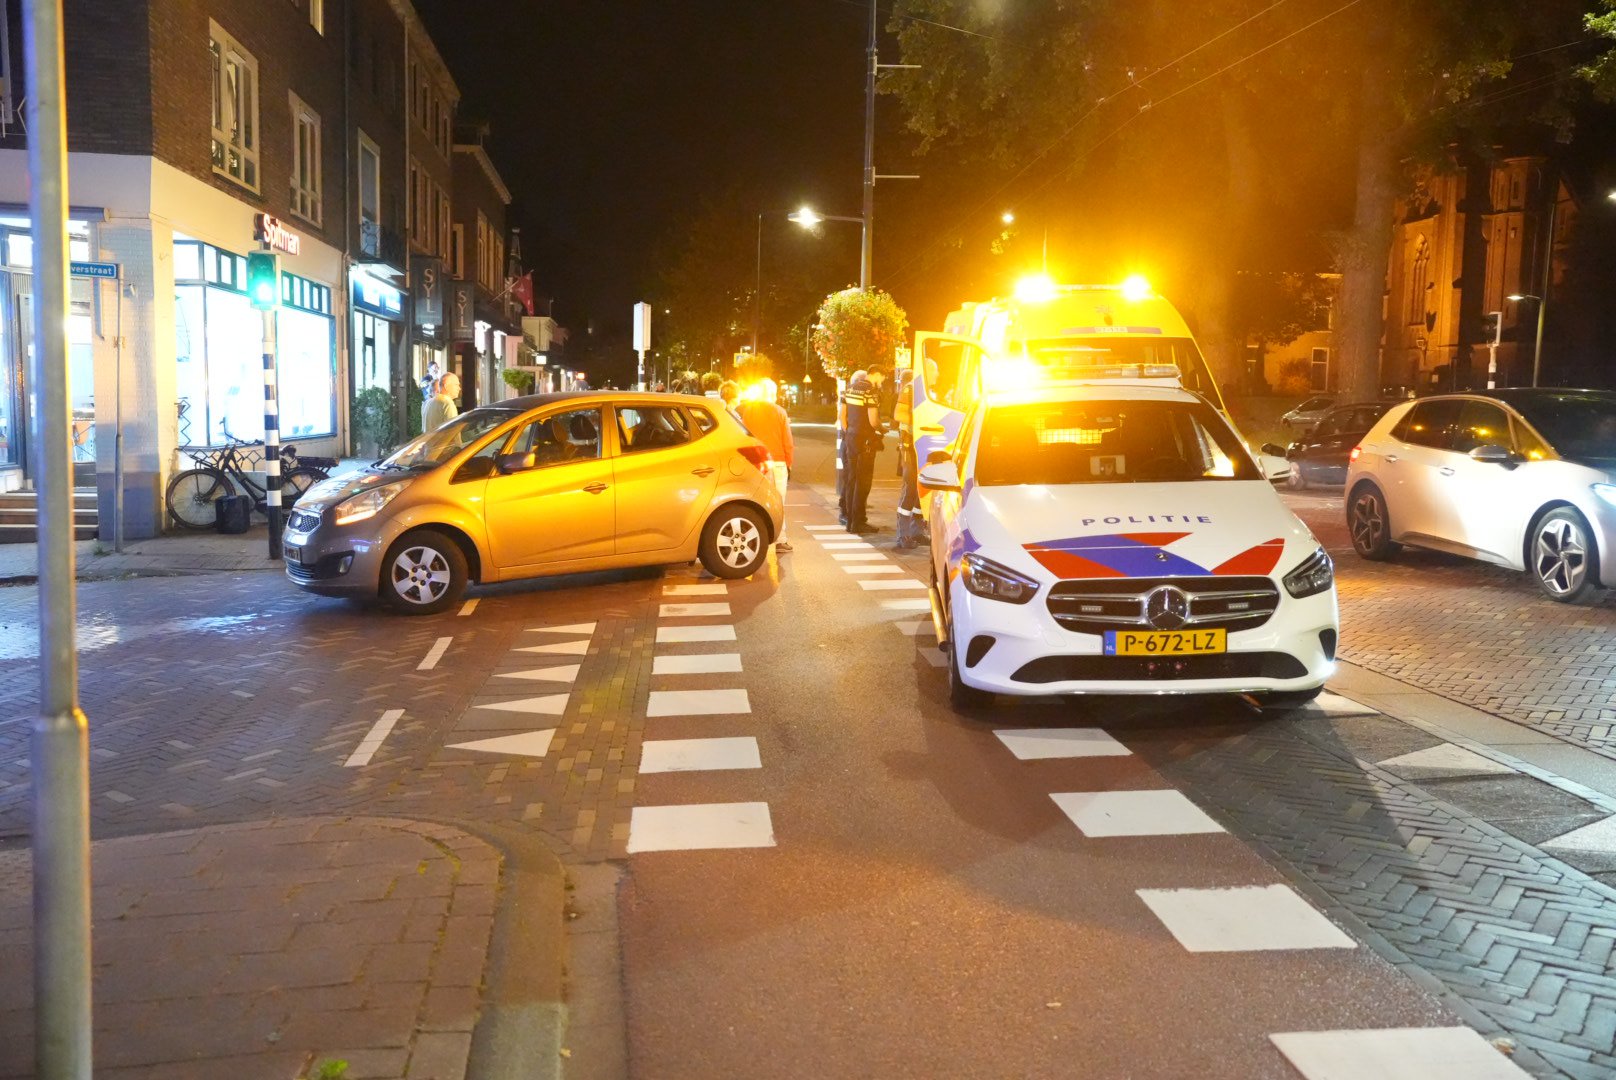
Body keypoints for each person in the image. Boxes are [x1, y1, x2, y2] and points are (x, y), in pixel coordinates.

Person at [736, 379, 795, 553]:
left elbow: (744, 438)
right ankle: (781, 541)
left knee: (754, 500)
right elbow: (788, 442)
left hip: (756, 463)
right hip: (777, 462)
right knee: (779, 502)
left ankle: (752, 538)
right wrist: (788, 463)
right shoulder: (780, 412)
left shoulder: (748, 411)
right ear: (772, 394)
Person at [840, 365, 886, 533]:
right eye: (882, 378)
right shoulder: (871, 392)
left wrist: (849, 432)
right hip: (866, 440)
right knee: (864, 481)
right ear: (877, 374)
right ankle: (859, 521)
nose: (881, 382)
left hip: (851, 438)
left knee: (851, 479)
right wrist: (882, 429)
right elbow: (873, 421)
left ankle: (850, 521)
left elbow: (842, 417)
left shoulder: (849, 389)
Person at [893, 368, 926, 548]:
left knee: (921, 488)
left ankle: (917, 532)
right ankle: (903, 535)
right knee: (910, 487)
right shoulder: (911, 388)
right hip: (909, 444)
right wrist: (920, 423)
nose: (937, 376)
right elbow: (899, 414)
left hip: (920, 444)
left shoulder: (925, 390)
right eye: (934, 372)